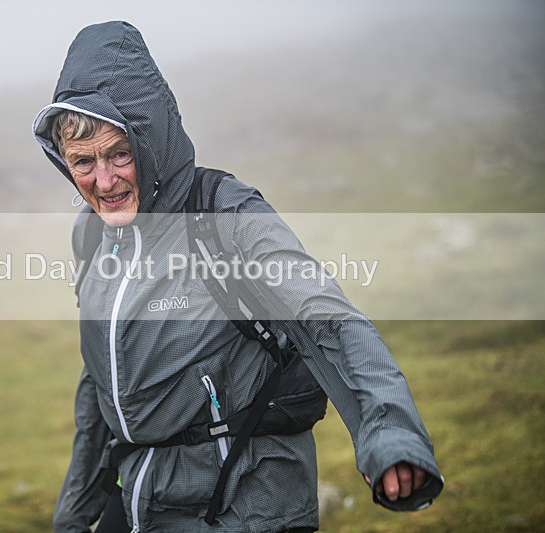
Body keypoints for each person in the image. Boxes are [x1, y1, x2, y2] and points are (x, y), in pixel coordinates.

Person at [32, 21, 443, 533]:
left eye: (120, 153)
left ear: (151, 139)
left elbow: (324, 316)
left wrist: (391, 437)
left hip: (245, 498)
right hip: (143, 491)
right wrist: (73, 517)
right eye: (83, 162)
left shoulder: (223, 214)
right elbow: (102, 378)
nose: (105, 180)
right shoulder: (91, 235)